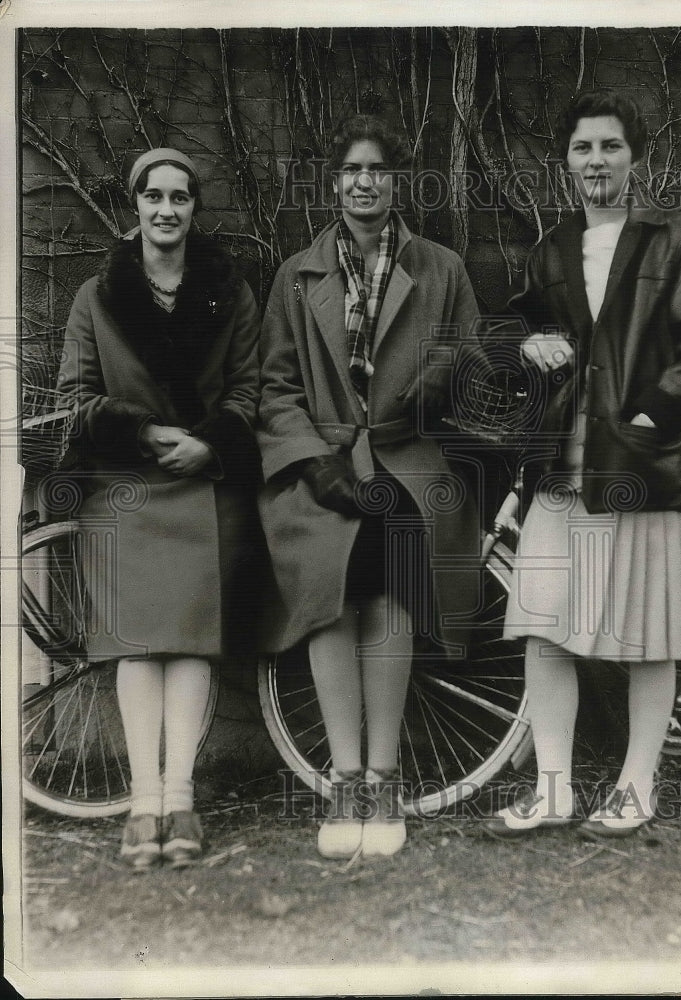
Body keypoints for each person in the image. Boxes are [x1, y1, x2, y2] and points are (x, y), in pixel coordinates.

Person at [483, 90, 681, 840]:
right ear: (565, 162)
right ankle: (555, 788)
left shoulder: (676, 237)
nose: (595, 160)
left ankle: (636, 786)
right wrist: (522, 344)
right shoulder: (553, 249)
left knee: (647, 633)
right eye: (581, 149)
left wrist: (651, 412)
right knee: (542, 625)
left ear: (635, 158)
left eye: (609, 147)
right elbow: (518, 325)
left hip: (641, 460)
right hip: (561, 469)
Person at [257, 114, 486, 859]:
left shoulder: (441, 268)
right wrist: (313, 463)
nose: (364, 183)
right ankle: (345, 780)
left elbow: (471, 358)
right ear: (333, 182)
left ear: (397, 181)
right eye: (351, 170)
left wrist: (440, 381)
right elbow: (276, 388)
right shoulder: (297, 274)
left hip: (407, 461)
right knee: (330, 597)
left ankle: (383, 780)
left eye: (378, 170)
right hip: (323, 467)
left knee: (390, 590)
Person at [58, 148, 263, 869]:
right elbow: (76, 400)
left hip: (201, 485)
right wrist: (141, 431)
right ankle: (143, 803)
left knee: (191, 642)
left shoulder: (228, 293)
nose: (167, 210)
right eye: (154, 197)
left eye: (180, 198)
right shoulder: (97, 296)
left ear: (194, 210)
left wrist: (209, 444)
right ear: (135, 206)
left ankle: (182, 801)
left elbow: (250, 389)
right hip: (124, 487)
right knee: (138, 645)